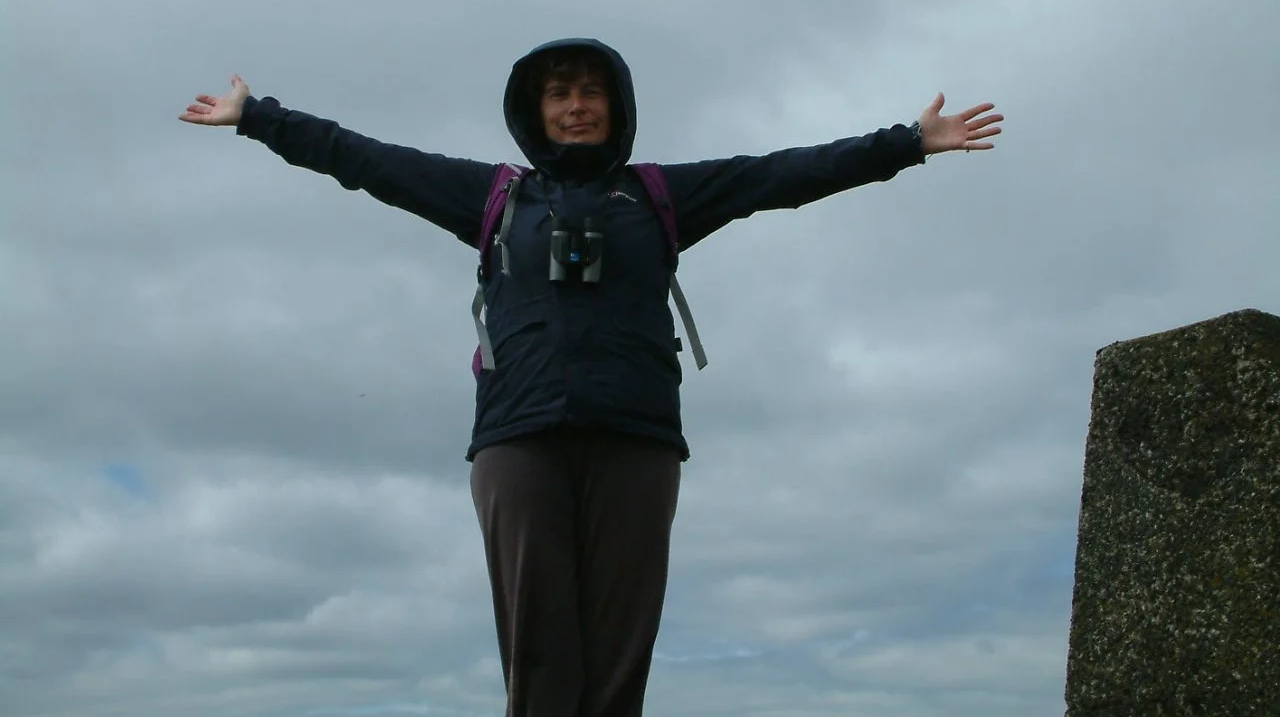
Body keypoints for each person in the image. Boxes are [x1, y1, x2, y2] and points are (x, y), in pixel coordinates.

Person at [179, 37, 1002, 716]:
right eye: (558, 94)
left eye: (591, 91)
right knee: (538, 652)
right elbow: (366, 160)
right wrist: (258, 117)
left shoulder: (660, 195)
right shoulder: (493, 196)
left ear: (617, 105)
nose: (576, 105)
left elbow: (780, 175)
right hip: (518, 436)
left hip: (636, 436)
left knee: (617, 656)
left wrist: (906, 144)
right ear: (534, 113)